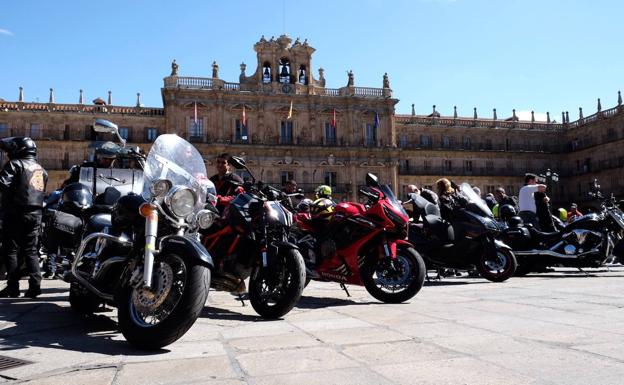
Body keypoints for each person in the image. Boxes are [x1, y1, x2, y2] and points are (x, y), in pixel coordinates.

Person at [0, 137, 48, 298]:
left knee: (11, 250)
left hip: (15, 212)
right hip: (36, 214)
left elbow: (2, 183)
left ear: (19, 150)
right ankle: (35, 286)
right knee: (31, 250)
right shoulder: (41, 169)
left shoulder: (15, 164)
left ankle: (13, 287)